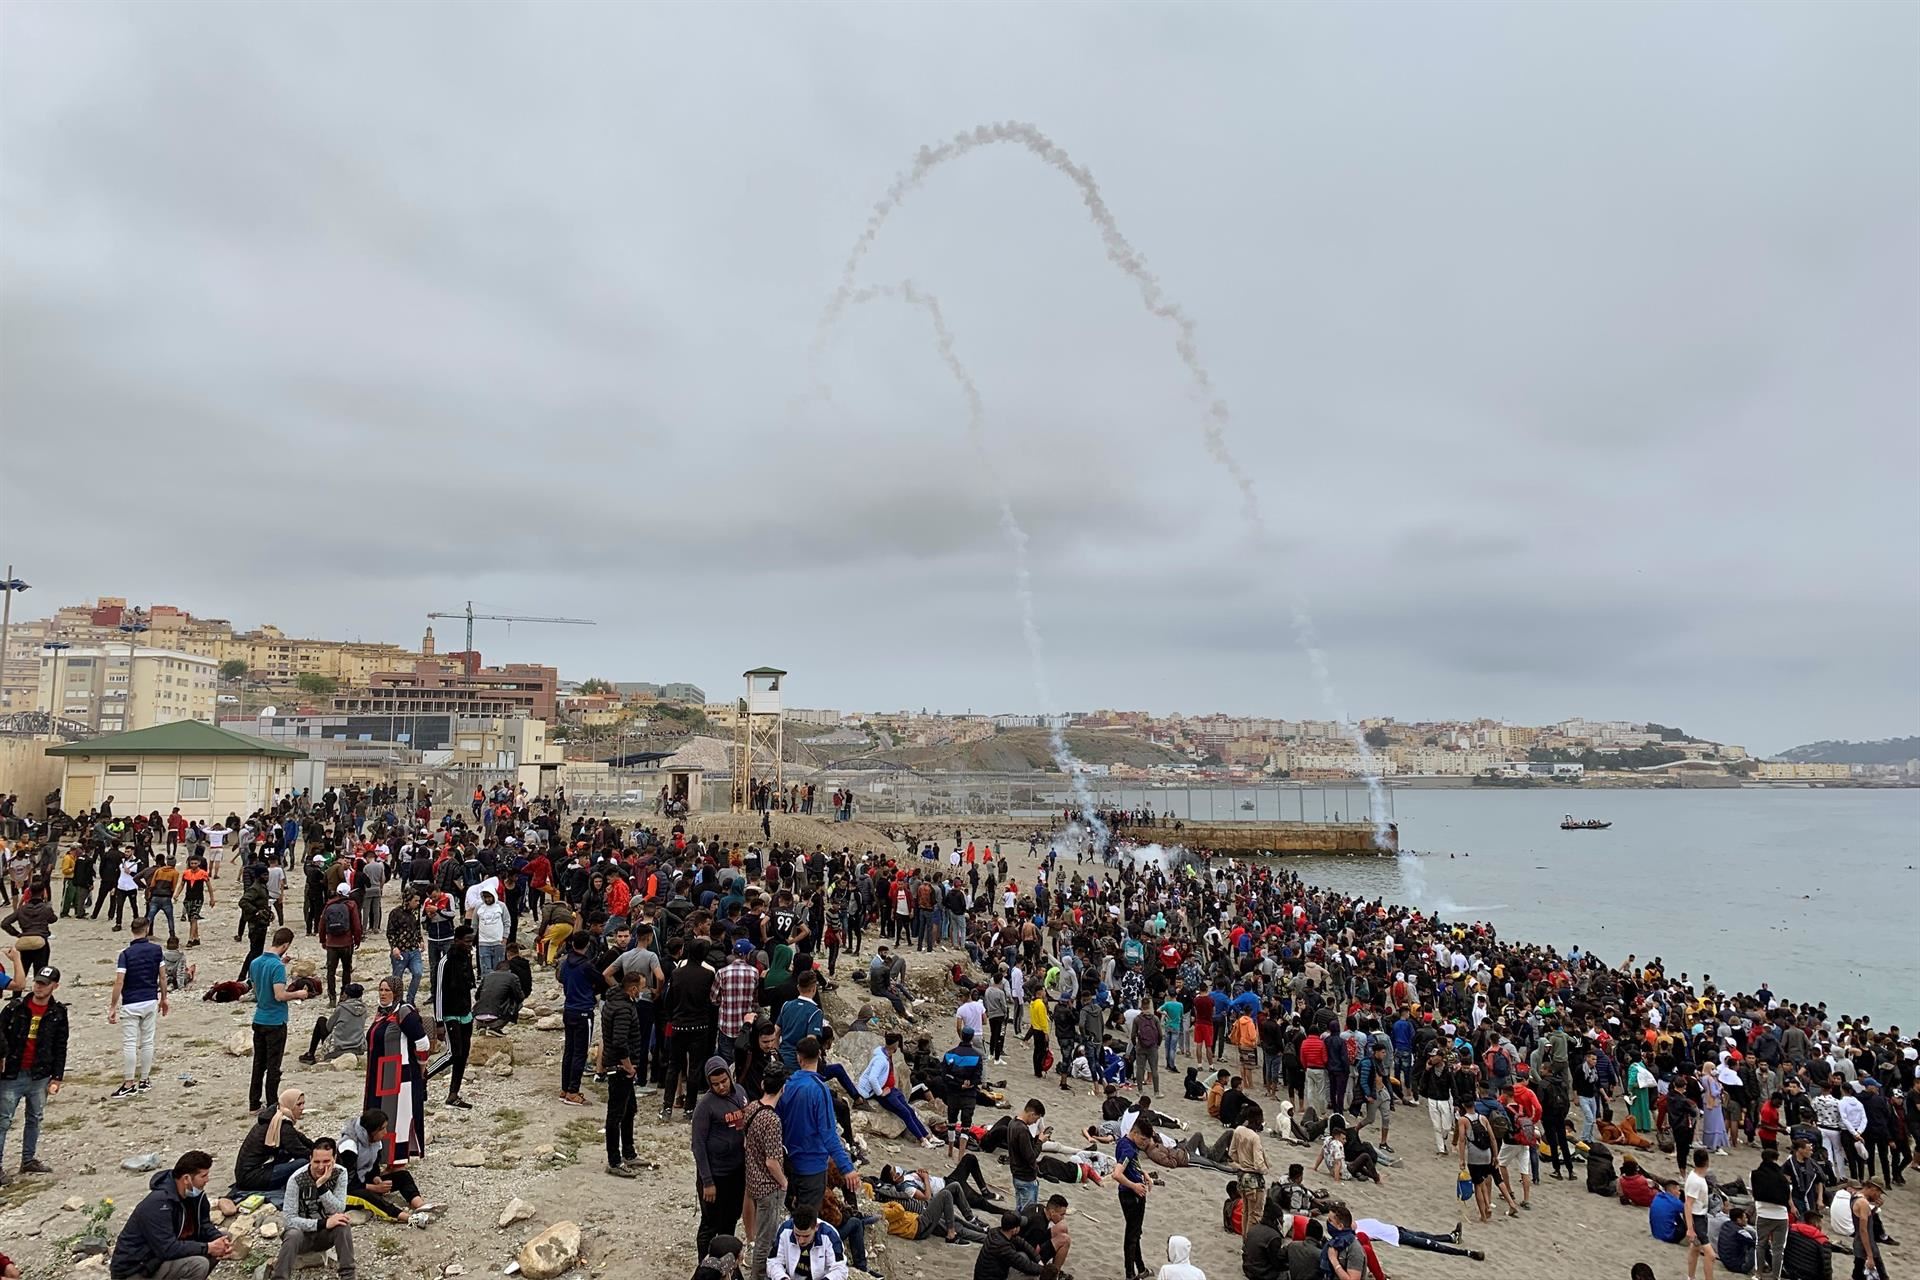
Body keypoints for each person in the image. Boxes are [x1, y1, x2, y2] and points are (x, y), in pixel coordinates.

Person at [108, 1149, 235, 1280]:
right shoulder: (159, 1204)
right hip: (137, 1270)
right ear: (186, 1179)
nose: (207, 1180)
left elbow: (204, 1225)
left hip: (160, 1260)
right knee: (198, 1264)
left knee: (222, 1238)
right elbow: (167, 1248)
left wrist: (219, 1240)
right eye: (203, 1176)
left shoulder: (196, 1197)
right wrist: (208, 1248)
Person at [0, 959, 66, 1185]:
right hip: (12, 1072)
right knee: (3, 1120)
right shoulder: (14, 1008)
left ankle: (28, 1159)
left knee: (35, 1118)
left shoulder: (58, 1012)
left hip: (40, 1074)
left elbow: (60, 1045)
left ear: (54, 986)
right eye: (37, 982)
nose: (38, 987)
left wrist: (57, 1076)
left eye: (44, 984)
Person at [779, 1035, 859, 1214]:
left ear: (798, 1057)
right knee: (809, 1219)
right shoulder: (819, 1089)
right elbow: (829, 1134)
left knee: (794, 1216)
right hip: (812, 1166)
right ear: (819, 1055)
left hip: (789, 1163)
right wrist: (847, 1168)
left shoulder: (787, 1085)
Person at [363, 975, 430, 1166]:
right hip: (380, 1076)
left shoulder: (404, 1012)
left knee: (397, 1117)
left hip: (399, 1077)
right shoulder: (382, 1013)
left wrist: (421, 1068)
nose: (383, 994)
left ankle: (397, 1160)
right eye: (381, 990)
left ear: (396, 992)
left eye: (387, 991)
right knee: (379, 1114)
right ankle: (381, 1157)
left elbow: (422, 1043)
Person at [245, 928, 313, 1116]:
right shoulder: (277, 967)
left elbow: (256, 988)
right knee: (273, 1067)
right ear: (286, 945)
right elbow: (279, 995)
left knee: (258, 1064)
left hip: (259, 1017)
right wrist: (299, 994)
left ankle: (254, 1103)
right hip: (275, 1021)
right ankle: (272, 1105)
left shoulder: (255, 962)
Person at [275, 1137, 356, 1280]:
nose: (320, 1167)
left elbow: (338, 1209)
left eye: (326, 1161)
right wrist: (322, 1223)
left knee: (343, 1223)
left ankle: (348, 1275)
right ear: (310, 1159)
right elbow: (289, 1220)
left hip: (325, 1236)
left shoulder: (340, 1173)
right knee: (293, 1234)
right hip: (302, 1236)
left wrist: (321, 1186)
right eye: (316, 1162)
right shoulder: (296, 1179)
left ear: (334, 1159)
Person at [337, 1109, 437, 1222]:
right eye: (382, 1129)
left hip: (363, 1180)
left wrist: (376, 1178)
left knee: (403, 1175)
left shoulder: (375, 1141)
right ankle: (406, 1217)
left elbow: (374, 1166)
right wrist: (375, 1188)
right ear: (371, 1131)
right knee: (369, 1196)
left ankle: (419, 1205)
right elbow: (348, 1181)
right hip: (345, 1189)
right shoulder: (349, 1146)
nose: (385, 1132)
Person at [107, 917, 169, 1099]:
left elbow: (119, 981)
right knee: (147, 1041)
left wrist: (113, 1006)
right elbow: (162, 977)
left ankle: (129, 1083)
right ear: (147, 929)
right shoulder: (156, 950)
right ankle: (144, 1080)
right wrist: (164, 998)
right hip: (150, 999)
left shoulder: (125, 955)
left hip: (131, 1001)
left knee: (130, 1043)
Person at [694, 1056, 749, 1258]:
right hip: (715, 1175)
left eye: (724, 1081)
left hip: (736, 1172)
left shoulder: (741, 1093)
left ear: (729, 1076)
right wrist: (707, 1182)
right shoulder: (705, 1106)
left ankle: (726, 1264)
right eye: (715, 1084)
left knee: (731, 1219)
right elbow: (698, 1145)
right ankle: (705, 1266)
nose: (721, 1087)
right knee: (710, 1224)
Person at [743, 1068, 789, 1280]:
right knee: (766, 1240)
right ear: (783, 1088)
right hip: (769, 1186)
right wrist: (784, 1182)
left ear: (763, 1084)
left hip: (752, 1179)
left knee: (761, 1237)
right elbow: (772, 1162)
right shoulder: (772, 1120)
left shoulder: (752, 1107)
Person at [232, 1087, 315, 1198]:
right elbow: (299, 1151)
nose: (302, 1108)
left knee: (288, 1153)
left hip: (247, 1174)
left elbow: (299, 1137)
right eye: (299, 1104)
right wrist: (320, 1157)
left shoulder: (276, 1117)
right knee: (304, 1163)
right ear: (290, 1105)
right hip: (251, 1177)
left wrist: (317, 1147)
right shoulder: (282, 1124)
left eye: (303, 1104)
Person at [433, 925, 476, 1108]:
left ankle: (453, 1094)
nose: (470, 944)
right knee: (453, 1053)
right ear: (457, 940)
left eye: (471, 941)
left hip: (465, 1013)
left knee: (463, 1055)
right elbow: (438, 993)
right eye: (467, 941)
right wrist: (439, 1022)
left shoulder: (466, 958)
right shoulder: (445, 962)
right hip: (449, 1014)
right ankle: (423, 1075)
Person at [1116, 1115, 1153, 1280]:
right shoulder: (1128, 1149)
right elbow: (1117, 1174)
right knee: (1132, 1236)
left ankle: (1141, 1268)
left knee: (1135, 1232)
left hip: (1129, 1193)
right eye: (1143, 1139)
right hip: (1132, 1196)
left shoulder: (1126, 1143)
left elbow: (1131, 1164)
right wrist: (1134, 1186)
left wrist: (1144, 1173)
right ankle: (1130, 1274)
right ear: (1135, 1133)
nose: (1145, 1144)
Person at [766, 1206, 848, 1280]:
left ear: (816, 1227)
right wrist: (782, 1278)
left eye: (806, 1236)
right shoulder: (785, 1230)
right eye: (797, 1235)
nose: (801, 1240)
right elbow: (773, 1261)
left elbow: (840, 1269)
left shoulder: (830, 1235)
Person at [1749, 1147, 1791, 1279]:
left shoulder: (1755, 1174)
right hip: (1781, 1216)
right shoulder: (1783, 1178)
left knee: (1760, 1244)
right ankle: (1776, 1276)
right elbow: (1788, 1196)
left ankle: (1758, 1274)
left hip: (1763, 1214)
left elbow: (1753, 1194)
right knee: (1778, 1249)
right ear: (1776, 1159)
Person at [1683, 1148, 1716, 1280]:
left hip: (1701, 1215)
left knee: (1695, 1248)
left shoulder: (1695, 1176)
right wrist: (1690, 1228)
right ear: (1707, 1161)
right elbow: (1688, 1204)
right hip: (1697, 1219)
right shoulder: (1696, 1181)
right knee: (1711, 1255)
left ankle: (1691, 1277)